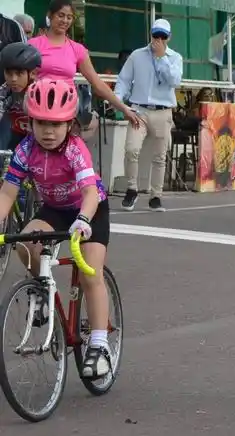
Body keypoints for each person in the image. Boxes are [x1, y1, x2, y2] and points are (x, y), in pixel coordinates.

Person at [0, 78, 112, 378]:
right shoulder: (26, 149)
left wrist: (84, 220)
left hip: (90, 210)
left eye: (56, 124)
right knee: (24, 242)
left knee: (90, 272)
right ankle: (44, 289)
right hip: (55, 209)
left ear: (70, 124)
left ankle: (100, 346)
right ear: (30, 122)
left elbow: (89, 193)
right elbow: (8, 193)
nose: (48, 132)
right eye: (41, 123)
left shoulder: (75, 150)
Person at [29, 0, 139, 129]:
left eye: (69, 17)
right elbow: (23, 78)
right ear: (50, 15)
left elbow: (97, 83)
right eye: (60, 15)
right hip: (39, 108)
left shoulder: (77, 49)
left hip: (66, 110)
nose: (65, 20)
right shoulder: (33, 45)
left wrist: (123, 108)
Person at [114, 18, 183, 213]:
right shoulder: (137, 55)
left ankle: (156, 196)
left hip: (163, 111)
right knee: (131, 148)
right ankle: (131, 189)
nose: (158, 40)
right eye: (156, 35)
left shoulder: (175, 58)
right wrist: (118, 99)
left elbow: (174, 81)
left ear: (168, 37)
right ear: (151, 34)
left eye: (162, 36)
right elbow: (124, 79)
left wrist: (162, 58)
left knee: (160, 156)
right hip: (140, 110)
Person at [0, 42, 41, 149]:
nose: (13, 79)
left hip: (41, 138)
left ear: (33, 73)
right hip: (17, 136)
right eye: (9, 73)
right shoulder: (5, 92)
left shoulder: (41, 93)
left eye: (19, 73)